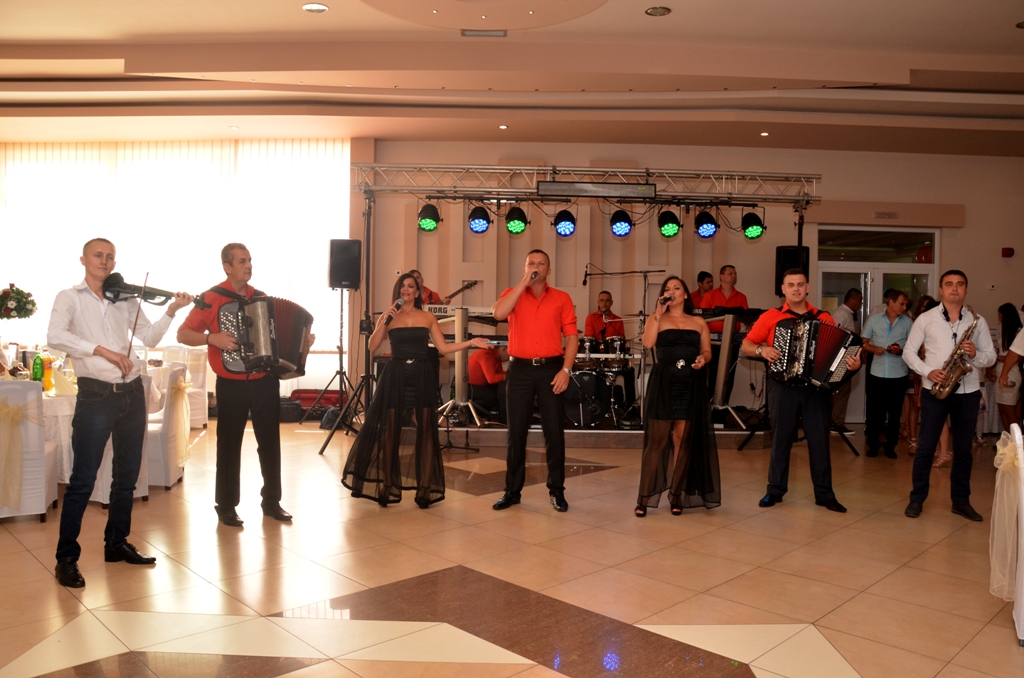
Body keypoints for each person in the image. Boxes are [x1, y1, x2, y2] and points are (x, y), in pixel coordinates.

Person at [48, 238, 193, 588]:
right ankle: (66, 558)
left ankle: (116, 543)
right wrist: (102, 350)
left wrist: (172, 311)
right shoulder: (70, 297)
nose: (105, 261)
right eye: (98, 255)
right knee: (83, 480)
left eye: (110, 256)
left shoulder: (125, 298)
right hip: (96, 395)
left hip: (132, 394)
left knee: (126, 477)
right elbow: (55, 336)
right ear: (83, 259)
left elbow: (150, 338)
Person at [177, 243, 313, 527]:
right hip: (231, 384)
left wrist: (302, 344)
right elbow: (183, 334)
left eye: (250, 260)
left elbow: (277, 343)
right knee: (229, 445)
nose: (248, 265)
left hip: (264, 381)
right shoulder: (211, 298)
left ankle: (272, 501)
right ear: (227, 267)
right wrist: (211, 339)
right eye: (241, 261)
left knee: (270, 442)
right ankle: (226, 505)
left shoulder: (261, 298)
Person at [343, 273, 492, 508]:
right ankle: (387, 485)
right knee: (390, 431)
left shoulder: (427, 316)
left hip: (422, 375)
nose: (406, 289)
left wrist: (471, 343)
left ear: (417, 292)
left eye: (410, 286)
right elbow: (372, 346)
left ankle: (425, 488)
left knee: (426, 431)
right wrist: (385, 321)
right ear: (398, 291)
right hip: (395, 375)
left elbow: (444, 347)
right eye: (402, 286)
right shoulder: (389, 316)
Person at [740, 269, 861, 513]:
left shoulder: (823, 317)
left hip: (815, 390)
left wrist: (853, 365)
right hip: (782, 387)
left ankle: (825, 495)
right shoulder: (771, 316)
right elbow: (747, 344)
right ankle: (775, 490)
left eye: (800, 284)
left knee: (819, 441)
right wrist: (762, 350)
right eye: (791, 285)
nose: (796, 288)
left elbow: (837, 353)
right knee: (781, 439)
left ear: (807, 288)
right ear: (783, 289)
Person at [902, 270, 996, 521]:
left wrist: (976, 354)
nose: (955, 288)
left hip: (968, 391)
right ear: (941, 290)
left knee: (963, 451)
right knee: (926, 448)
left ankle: (961, 501)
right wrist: (927, 371)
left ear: (966, 289)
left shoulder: (977, 321)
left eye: (960, 284)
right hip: (936, 390)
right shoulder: (926, 318)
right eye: (949, 284)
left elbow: (991, 358)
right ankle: (916, 499)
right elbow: (908, 352)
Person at [491, 250, 578, 513]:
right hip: (519, 370)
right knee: (516, 432)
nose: (535, 266)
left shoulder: (562, 298)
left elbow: (571, 337)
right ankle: (512, 491)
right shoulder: (512, 293)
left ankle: (557, 491)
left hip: (551, 368)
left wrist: (566, 370)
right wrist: (523, 283)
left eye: (541, 264)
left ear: (549, 271)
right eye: (531, 263)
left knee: (554, 432)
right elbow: (498, 313)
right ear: (524, 267)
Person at [635, 276, 719, 517]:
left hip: (690, 384)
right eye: (667, 288)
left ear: (685, 294)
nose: (671, 291)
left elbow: (707, 351)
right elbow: (648, 342)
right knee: (657, 442)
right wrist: (658, 313)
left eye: (676, 288)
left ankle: (676, 494)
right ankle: (644, 497)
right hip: (664, 383)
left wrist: (703, 359)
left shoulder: (698, 322)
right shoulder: (657, 318)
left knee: (683, 441)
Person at [862, 291, 912, 458]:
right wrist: (873, 349)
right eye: (901, 304)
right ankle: (873, 444)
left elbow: (913, 347)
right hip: (877, 372)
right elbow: (864, 342)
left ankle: (891, 446)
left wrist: (900, 351)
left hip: (899, 374)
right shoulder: (874, 320)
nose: (904, 307)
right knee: (875, 412)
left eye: (905, 305)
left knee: (895, 413)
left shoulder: (908, 322)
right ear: (891, 302)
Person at [700, 265, 748, 402]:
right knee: (713, 373)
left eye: (735, 273)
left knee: (729, 375)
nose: (734, 276)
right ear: (721, 276)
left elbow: (747, 319)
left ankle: (723, 406)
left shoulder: (741, 297)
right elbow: (701, 318)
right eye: (730, 273)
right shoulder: (710, 295)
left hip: (732, 341)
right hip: (713, 341)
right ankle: (710, 406)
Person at [584, 290, 636, 408]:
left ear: (611, 302)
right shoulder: (591, 318)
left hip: (613, 358)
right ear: (598, 302)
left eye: (607, 301)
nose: (604, 303)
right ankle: (596, 406)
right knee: (592, 372)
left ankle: (630, 407)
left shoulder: (617, 320)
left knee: (630, 371)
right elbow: (590, 339)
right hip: (597, 358)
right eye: (602, 300)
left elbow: (621, 340)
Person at [830, 288, 862, 431]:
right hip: (839, 359)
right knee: (841, 391)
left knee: (842, 391)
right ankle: (836, 423)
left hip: (844, 358)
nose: (861, 303)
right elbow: (834, 334)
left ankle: (836, 421)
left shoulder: (846, 313)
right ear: (852, 299)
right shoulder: (842, 313)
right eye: (860, 300)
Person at [988, 303, 1022, 433]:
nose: (999, 319)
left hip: (1011, 371)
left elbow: (1017, 356)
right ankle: (1008, 437)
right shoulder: (1001, 330)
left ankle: (1017, 439)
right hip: (1000, 369)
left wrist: (1001, 358)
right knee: (1001, 407)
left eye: (1000, 316)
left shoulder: (1018, 332)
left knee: (1009, 408)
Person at [469, 344, 509, 424]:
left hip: (481, 386)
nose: (509, 358)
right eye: (509, 355)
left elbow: (500, 374)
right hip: (470, 387)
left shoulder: (496, 357)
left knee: (502, 387)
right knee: (492, 397)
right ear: (504, 349)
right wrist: (509, 376)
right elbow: (492, 378)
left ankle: (505, 417)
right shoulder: (486, 354)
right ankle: (470, 411)